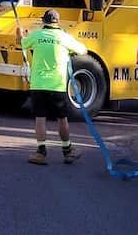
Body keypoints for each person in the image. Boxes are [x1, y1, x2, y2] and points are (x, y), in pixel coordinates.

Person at [16, 9, 87, 165]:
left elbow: (21, 43)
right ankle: (67, 151)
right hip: (57, 85)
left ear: (44, 21)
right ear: (57, 22)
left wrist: (20, 34)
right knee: (62, 119)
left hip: (39, 85)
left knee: (40, 119)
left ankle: (41, 152)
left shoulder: (36, 35)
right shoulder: (64, 37)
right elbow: (83, 50)